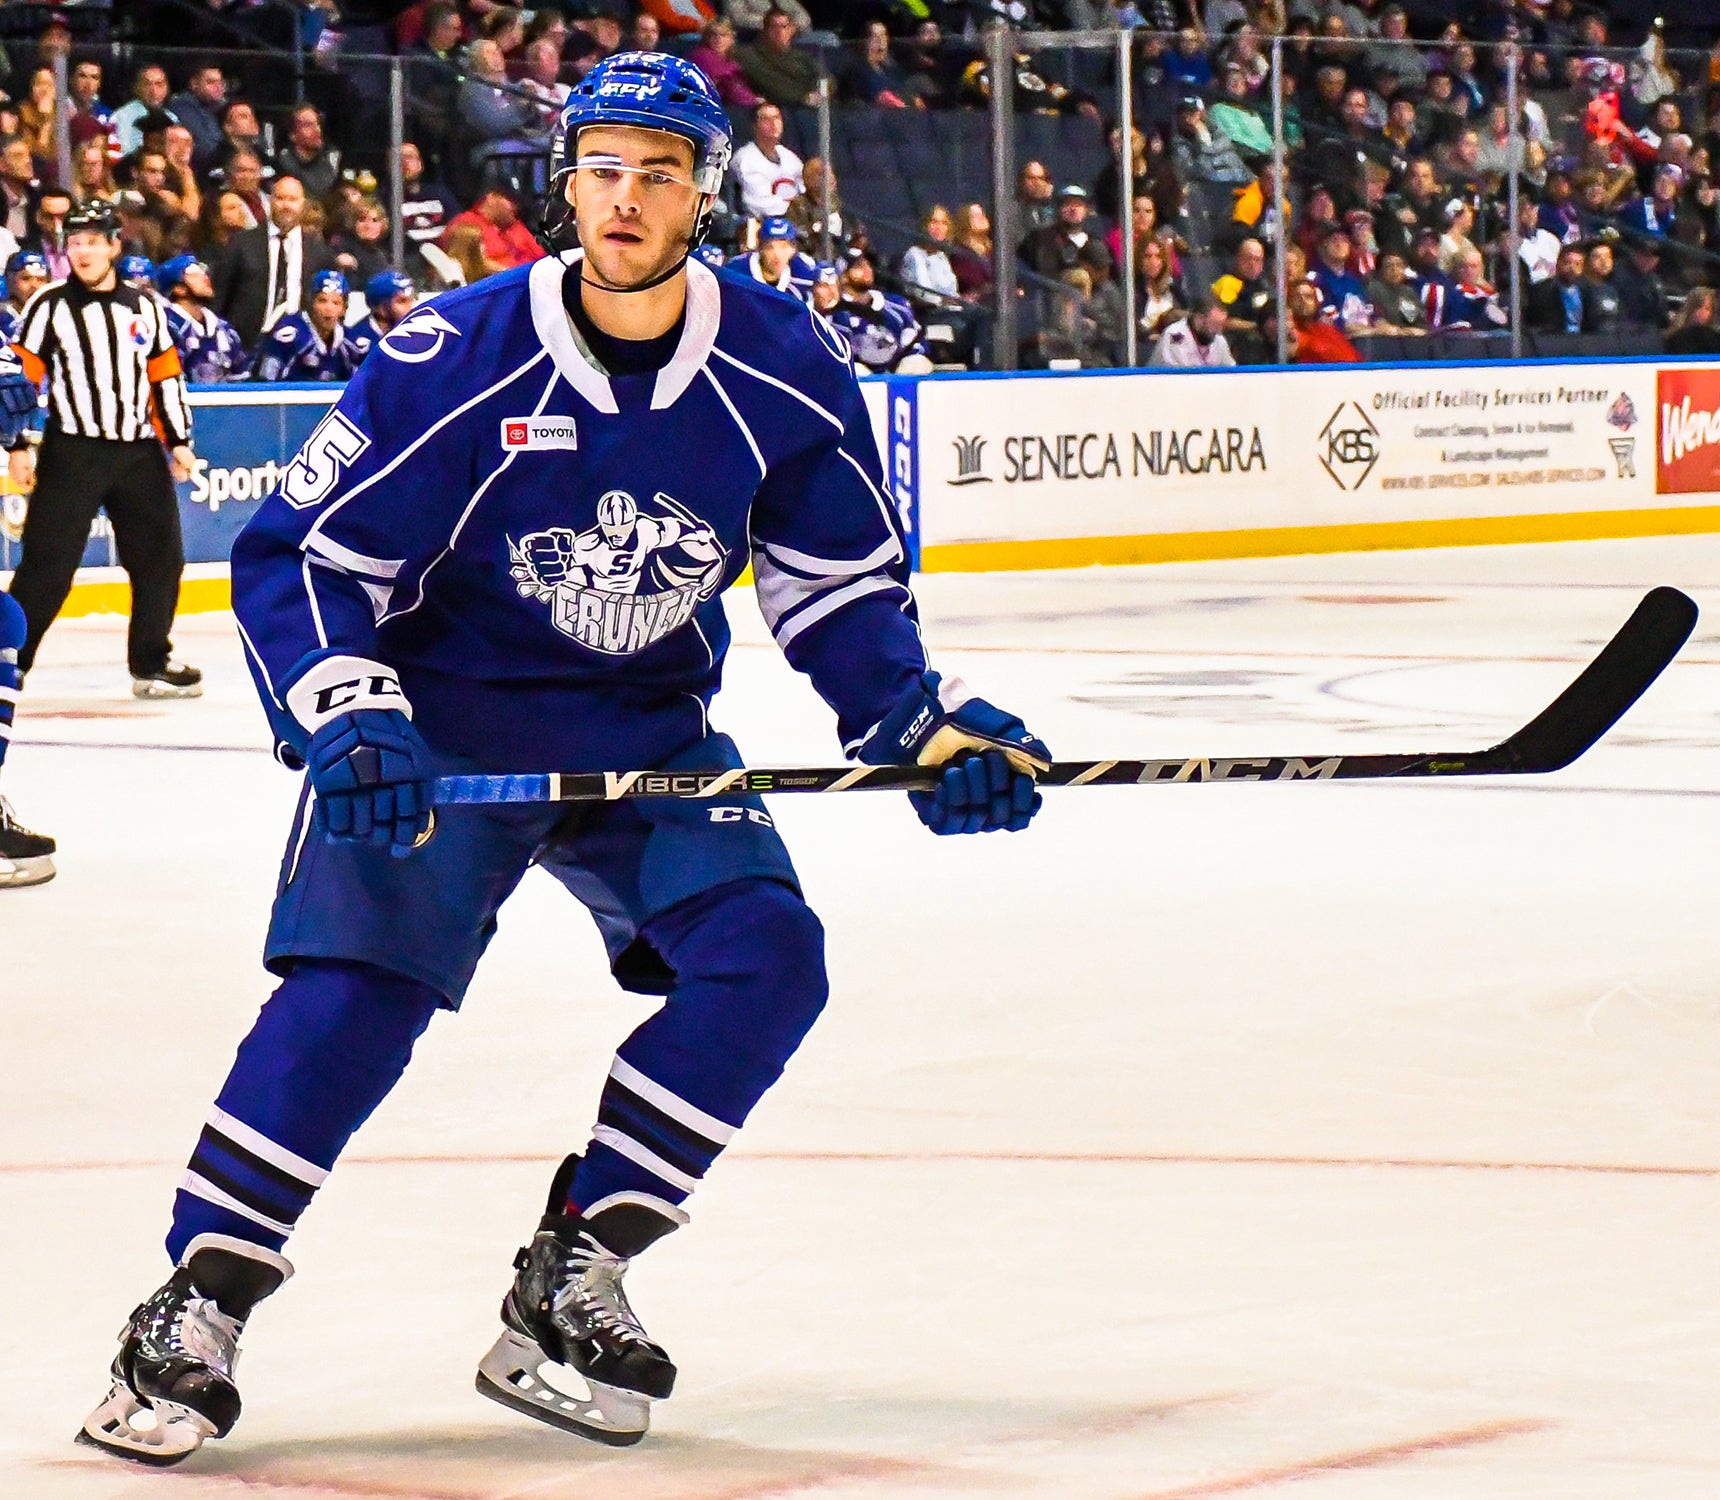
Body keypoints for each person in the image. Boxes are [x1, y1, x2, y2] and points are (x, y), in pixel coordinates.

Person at [76, 48, 1046, 1467]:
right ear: (562, 181)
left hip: (645, 734)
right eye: (602, 167)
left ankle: (575, 1266)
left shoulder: (779, 362)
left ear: (706, 194)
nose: (626, 197)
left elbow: (837, 586)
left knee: (768, 959)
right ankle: (198, 1302)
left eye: (660, 174)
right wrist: (350, 713)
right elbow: (309, 553)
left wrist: (918, 728)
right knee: (351, 1007)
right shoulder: (457, 354)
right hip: (440, 741)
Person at [6, 201, 201, 699]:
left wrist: (179, 441)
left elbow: (165, 378)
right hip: (73, 450)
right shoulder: (48, 304)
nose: (83, 251)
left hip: (137, 451)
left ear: (115, 245)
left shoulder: (145, 306)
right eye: (74, 242)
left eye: (93, 241)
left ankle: (151, 661)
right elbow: (19, 380)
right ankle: (11, 661)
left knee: (161, 558)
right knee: (48, 564)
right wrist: (16, 444)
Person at [212, 174, 341, 349]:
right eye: (280, 198)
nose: (286, 205)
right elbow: (220, 295)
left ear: (303, 204)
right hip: (246, 346)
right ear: (270, 201)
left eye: (293, 199)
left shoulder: (320, 252)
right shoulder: (242, 243)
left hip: (300, 348)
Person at [249, 267, 361, 382]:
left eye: (336, 303)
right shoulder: (289, 335)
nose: (329, 308)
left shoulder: (350, 343)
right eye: (322, 300)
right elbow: (266, 382)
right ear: (311, 302)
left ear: (344, 308)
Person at [826, 251, 926, 371]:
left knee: (916, 362)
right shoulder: (837, 314)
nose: (867, 269)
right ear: (843, 277)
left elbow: (916, 341)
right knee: (857, 370)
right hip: (861, 378)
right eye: (859, 266)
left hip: (899, 376)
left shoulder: (898, 304)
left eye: (868, 265)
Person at [157, 254, 250, 382]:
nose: (205, 278)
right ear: (179, 289)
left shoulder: (225, 329)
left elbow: (241, 376)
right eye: (194, 274)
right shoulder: (166, 327)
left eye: (203, 272)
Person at [736, 8, 821, 110]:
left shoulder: (803, 56)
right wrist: (803, 97)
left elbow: (824, 77)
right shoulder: (749, 54)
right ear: (765, 30)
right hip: (777, 108)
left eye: (783, 27)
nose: (779, 31)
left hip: (812, 106)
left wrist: (821, 92)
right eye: (773, 26)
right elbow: (770, 84)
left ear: (792, 29)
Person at [729, 102, 803, 221]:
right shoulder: (745, 158)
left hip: (797, 224)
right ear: (755, 125)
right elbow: (759, 204)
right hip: (762, 226)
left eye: (776, 118)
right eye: (766, 119)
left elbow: (803, 191)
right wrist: (799, 210)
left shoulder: (790, 157)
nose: (773, 124)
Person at [442, 187, 544, 271]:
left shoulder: (516, 227)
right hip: (500, 286)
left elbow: (541, 257)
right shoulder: (465, 226)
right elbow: (469, 265)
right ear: (492, 197)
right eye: (511, 201)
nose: (516, 207)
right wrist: (510, 275)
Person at [344, 268, 416, 364]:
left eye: (411, 300)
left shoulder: (413, 333)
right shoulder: (356, 341)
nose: (411, 307)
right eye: (402, 301)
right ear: (381, 308)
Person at [737, 215, 814, 301]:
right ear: (760, 249)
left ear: (793, 250)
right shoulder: (736, 272)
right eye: (770, 247)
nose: (777, 254)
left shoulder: (802, 280)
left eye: (783, 247)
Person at [1149, 294, 1235, 367]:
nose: (1219, 331)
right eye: (1215, 325)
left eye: (1220, 326)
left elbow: (1231, 371)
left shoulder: (1219, 339)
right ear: (1199, 319)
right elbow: (1179, 373)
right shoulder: (1175, 334)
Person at [0, 248, 46, 341]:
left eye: (40, 280)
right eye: (25, 278)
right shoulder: (2, 317)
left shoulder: (53, 316)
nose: (34, 286)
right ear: (9, 281)